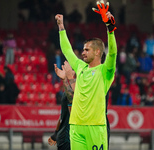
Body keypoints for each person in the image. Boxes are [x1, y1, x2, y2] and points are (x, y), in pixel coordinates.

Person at [55, 1, 117, 149]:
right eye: (83, 49)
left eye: (86, 50)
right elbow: (67, 50)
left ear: (97, 52)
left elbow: (113, 53)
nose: (82, 52)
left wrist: (110, 30)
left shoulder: (105, 71)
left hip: (95, 127)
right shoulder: (81, 67)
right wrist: (61, 27)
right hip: (76, 126)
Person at [48, 61, 75, 150]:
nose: (66, 69)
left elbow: (72, 102)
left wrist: (65, 80)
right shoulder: (68, 90)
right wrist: (56, 132)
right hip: (64, 138)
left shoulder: (75, 90)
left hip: (70, 138)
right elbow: (63, 115)